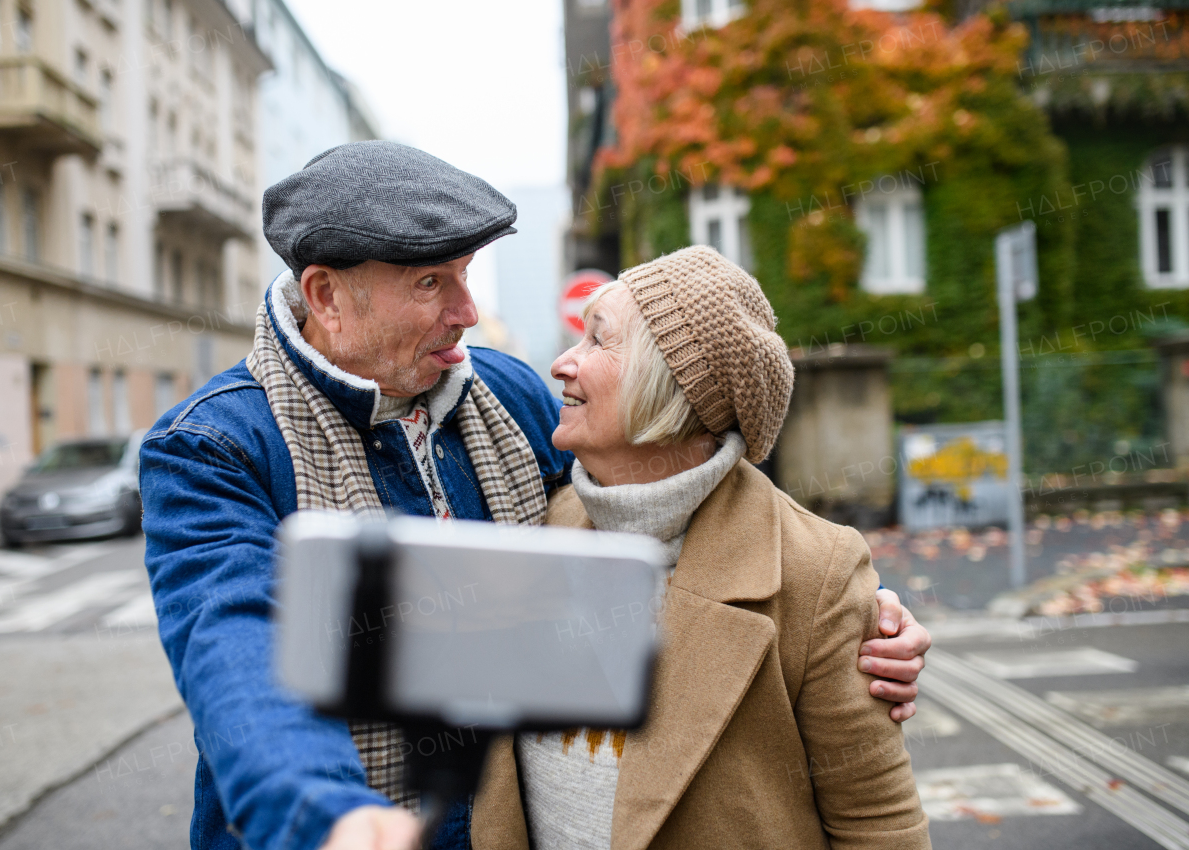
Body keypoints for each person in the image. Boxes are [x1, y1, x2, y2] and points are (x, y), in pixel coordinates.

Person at [139, 142, 932, 850]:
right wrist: (327, 814)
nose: (468, 313)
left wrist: (851, 607)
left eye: (465, 276)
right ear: (327, 296)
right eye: (431, 283)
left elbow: (672, 489)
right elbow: (233, 654)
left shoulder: (507, 400)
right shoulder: (214, 447)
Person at [472, 246, 931, 850]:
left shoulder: (814, 569)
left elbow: (879, 825)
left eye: (597, 342)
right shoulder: (545, 521)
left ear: (672, 389)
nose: (562, 364)